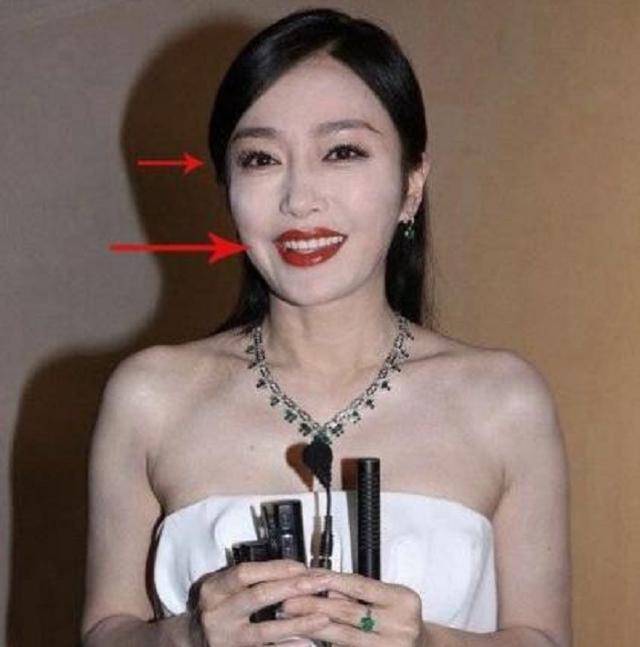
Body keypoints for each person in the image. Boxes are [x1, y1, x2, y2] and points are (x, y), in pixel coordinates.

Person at [81, 8, 571, 647]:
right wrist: (189, 635)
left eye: (342, 151)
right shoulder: (150, 395)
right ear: (228, 188)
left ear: (412, 184)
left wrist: (430, 642)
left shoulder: (504, 400)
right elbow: (105, 631)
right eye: (260, 158)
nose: (298, 198)